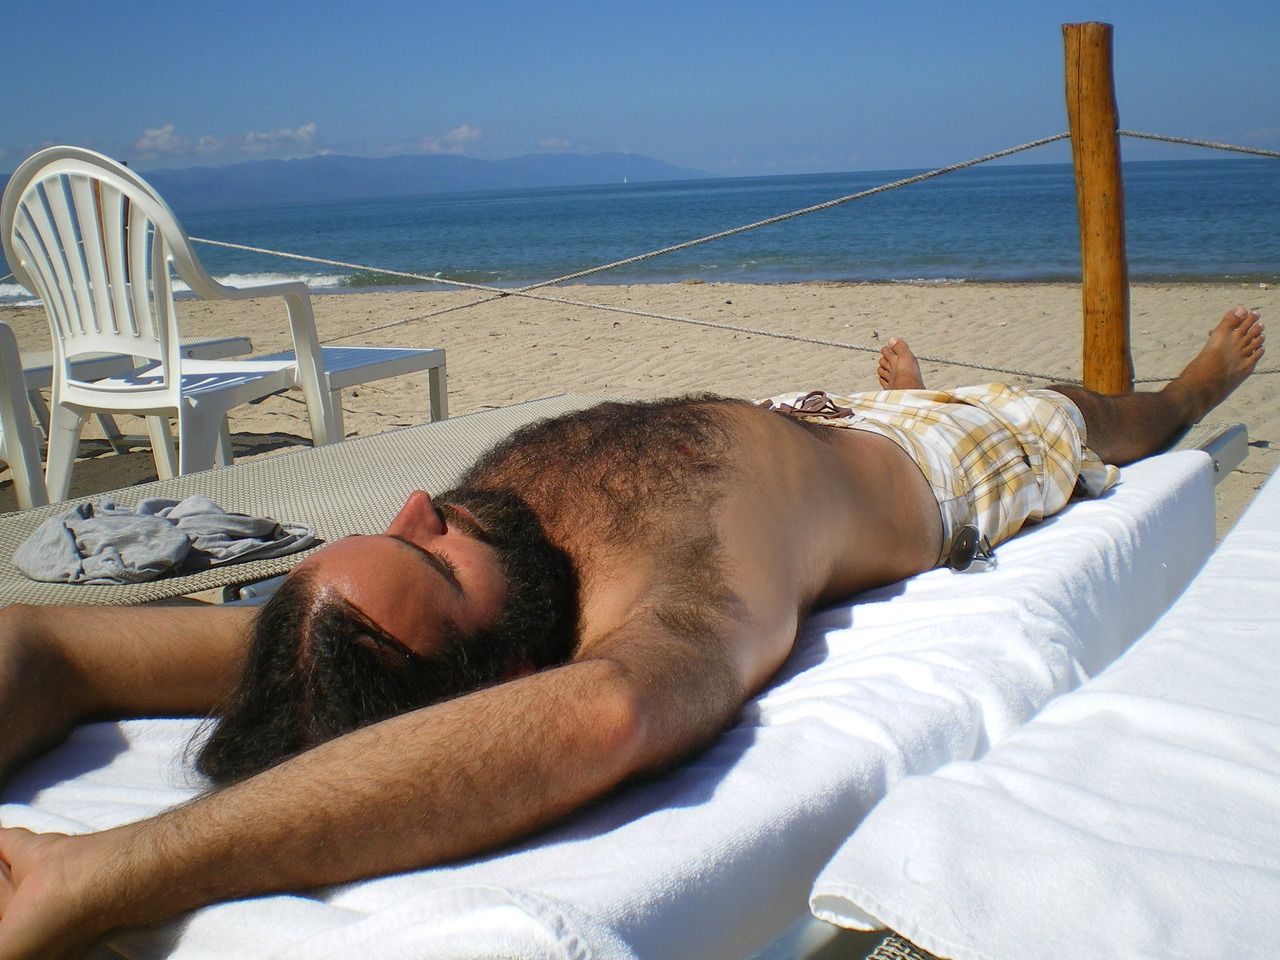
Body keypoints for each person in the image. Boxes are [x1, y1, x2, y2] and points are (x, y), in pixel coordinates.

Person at [0, 307, 1264, 959]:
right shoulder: (676, 604)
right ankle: (1186, 393)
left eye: (396, 531)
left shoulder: (340, 636)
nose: (418, 505)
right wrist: (104, 873)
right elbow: (606, 716)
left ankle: (899, 388)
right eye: (427, 554)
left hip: (791, 412)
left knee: (914, 400)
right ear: (494, 670)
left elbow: (46, 646)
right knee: (1076, 414)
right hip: (928, 469)